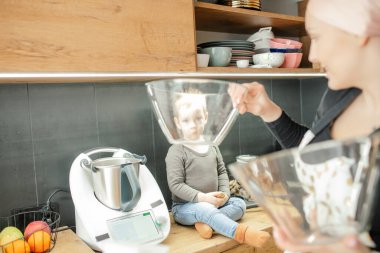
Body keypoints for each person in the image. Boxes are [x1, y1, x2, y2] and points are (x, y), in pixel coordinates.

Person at [228, 0, 380, 252]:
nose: (313, 55)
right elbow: (316, 154)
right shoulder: (339, 95)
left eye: (317, 37)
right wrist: (268, 111)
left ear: (359, 31)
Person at [165, 88, 270, 248]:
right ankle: (241, 232)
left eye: (198, 118)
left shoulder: (212, 146)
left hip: (215, 203)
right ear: (178, 122)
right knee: (204, 209)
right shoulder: (177, 150)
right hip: (185, 208)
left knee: (239, 205)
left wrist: (225, 195)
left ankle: (208, 224)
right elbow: (176, 185)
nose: (193, 125)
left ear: (205, 117)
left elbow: (221, 172)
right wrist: (203, 199)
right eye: (186, 120)